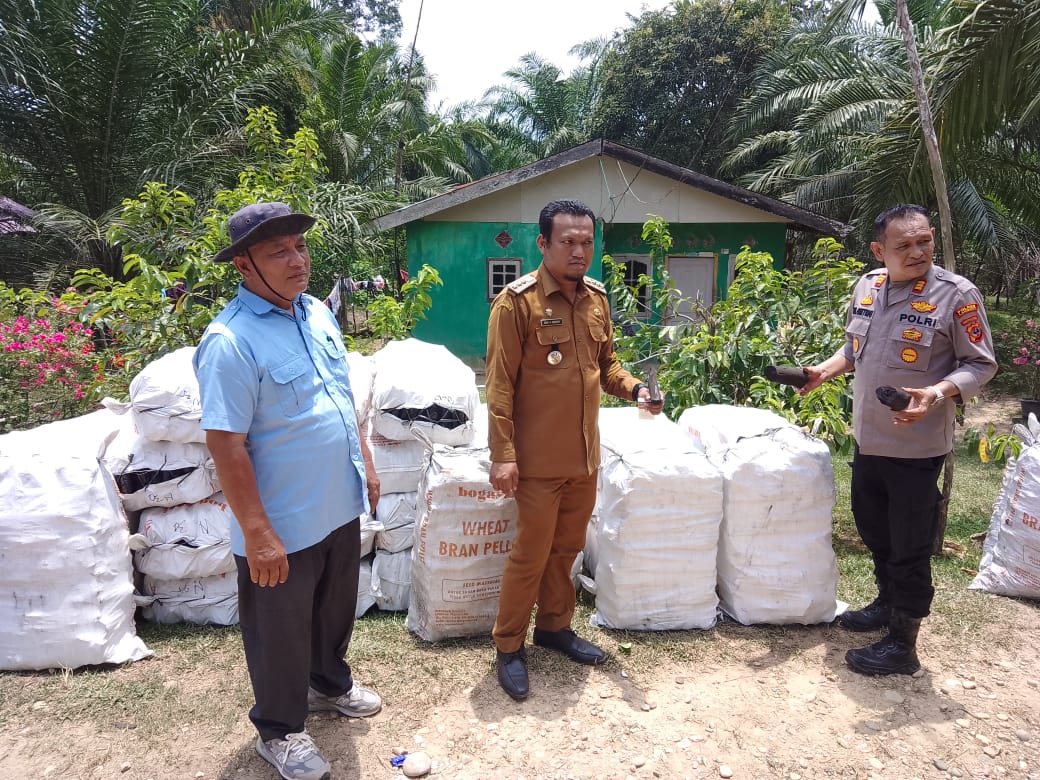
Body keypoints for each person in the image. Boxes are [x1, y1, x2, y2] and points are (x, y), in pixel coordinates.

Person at [193, 202, 382, 780]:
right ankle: (279, 730)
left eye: (300, 246)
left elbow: (340, 397)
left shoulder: (318, 315)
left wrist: (367, 464)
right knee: (278, 631)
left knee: (333, 611)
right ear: (244, 266)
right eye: (279, 252)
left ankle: (328, 683)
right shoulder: (230, 341)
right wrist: (258, 534)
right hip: (281, 524)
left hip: (336, 506)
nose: (297, 259)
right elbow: (227, 446)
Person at [799, 204, 997, 676]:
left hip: (916, 448)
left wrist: (935, 392)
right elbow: (854, 347)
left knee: (909, 544)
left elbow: (981, 363)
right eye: (903, 245)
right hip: (869, 439)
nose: (917, 252)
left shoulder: (957, 296)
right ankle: (886, 605)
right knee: (874, 530)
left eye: (923, 241)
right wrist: (823, 372)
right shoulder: (868, 285)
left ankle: (903, 644)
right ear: (878, 250)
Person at [485, 198, 664, 701]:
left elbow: (606, 367)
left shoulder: (596, 299)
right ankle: (509, 645)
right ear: (543, 244)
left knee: (565, 552)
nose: (579, 250)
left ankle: (556, 629)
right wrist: (504, 454)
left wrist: (636, 391)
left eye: (586, 242)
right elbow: (499, 386)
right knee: (530, 555)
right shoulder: (516, 304)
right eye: (567, 241)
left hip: (585, 459)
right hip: (537, 462)